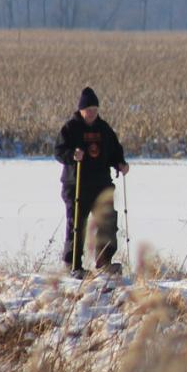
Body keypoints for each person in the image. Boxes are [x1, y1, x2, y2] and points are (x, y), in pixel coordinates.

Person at [54, 87, 129, 276]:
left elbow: (114, 151)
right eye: (89, 110)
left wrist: (121, 163)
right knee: (77, 224)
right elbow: (58, 151)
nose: (92, 113)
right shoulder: (70, 128)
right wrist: (73, 155)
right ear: (81, 110)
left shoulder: (104, 129)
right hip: (76, 184)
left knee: (108, 221)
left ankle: (104, 262)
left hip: (101, 184)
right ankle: (72, 264)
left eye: (95, 110)